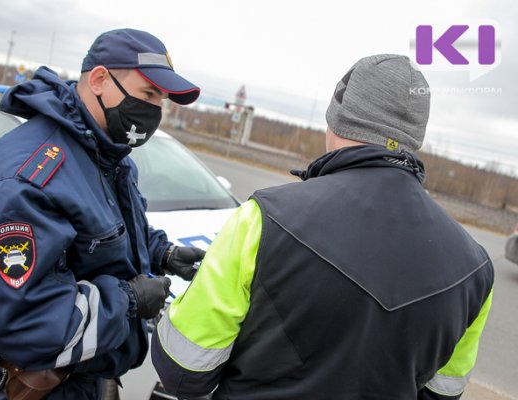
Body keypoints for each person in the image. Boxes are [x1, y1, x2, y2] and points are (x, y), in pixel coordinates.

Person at [152, 54, 494, 400]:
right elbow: (442, 394)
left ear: (336, 123)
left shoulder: (262, 219)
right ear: (413, 136)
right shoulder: (476, 268)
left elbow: (184, 372)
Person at [0, 28, 206, 399]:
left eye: (160, 100)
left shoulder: (105, 155)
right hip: (41, 385)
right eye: (148, 94)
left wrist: (162, 252)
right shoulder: (29, 178)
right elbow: (23, 321)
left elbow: (104, 228)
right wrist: (129, 301)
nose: (154, 111)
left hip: (87, 378)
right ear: (99, 79)